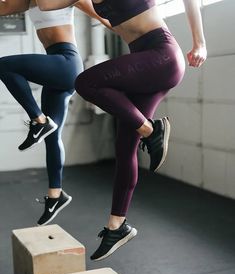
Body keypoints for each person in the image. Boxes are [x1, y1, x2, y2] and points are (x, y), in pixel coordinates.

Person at [37, 0, 207, 260]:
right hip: (144, 63)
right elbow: (47, 5)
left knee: (86, 82)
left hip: (161, 55)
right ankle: (117, 226)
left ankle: (151, 131)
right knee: (125, 147)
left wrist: (200, 43)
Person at [0, 0, 109, 225]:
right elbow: (4, 8)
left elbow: (102, 16)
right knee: (53, 136)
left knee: (4, 65)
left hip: (67, 63)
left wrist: (142, 37)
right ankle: (56, 196)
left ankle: (39, 120)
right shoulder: (28, 1)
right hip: (56, 69)